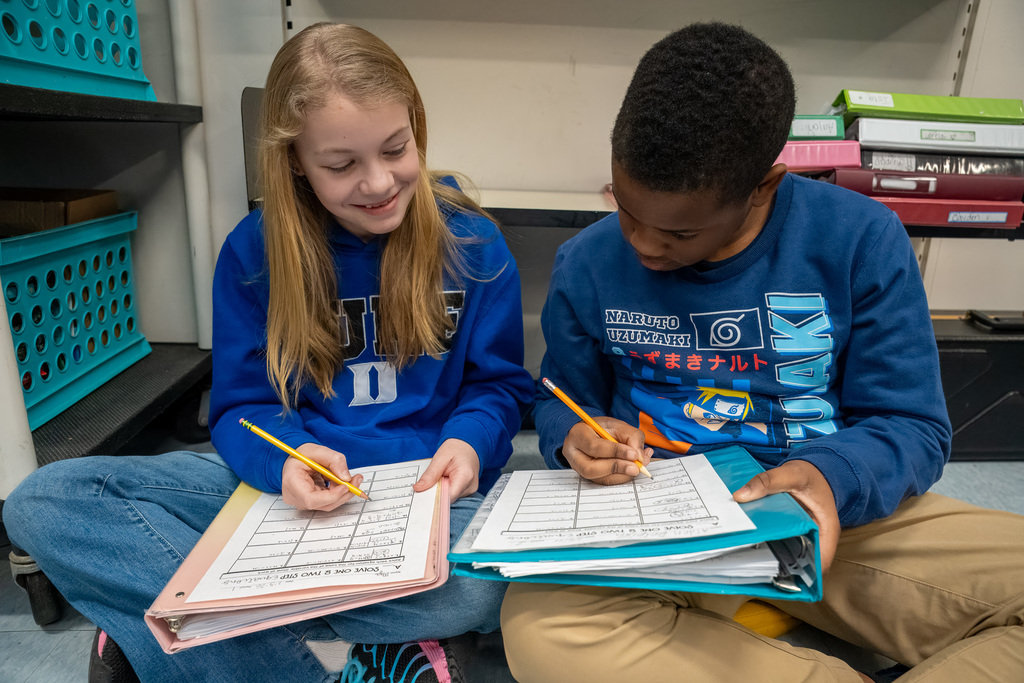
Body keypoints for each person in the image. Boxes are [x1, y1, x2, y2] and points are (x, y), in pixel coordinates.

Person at [4, 22, 533, 683]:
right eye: (340, 165)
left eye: (397, 149)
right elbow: (242, 409)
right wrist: (287, 459)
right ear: (295, 163)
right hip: (286, 498)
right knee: (43, 502)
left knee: (501, 587)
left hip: (428, 499)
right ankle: (334, 651)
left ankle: (165, 622)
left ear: (415, 128)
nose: (378, 182)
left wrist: (468, 444)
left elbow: (501, 390)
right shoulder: (253, 254)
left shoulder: (474, 243)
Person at [499, 22, 1024, 683]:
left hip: (829, 518)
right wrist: (575, 433)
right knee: (536, 626)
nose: (643, 244)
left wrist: (830, 476)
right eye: (625, 208)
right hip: (658, 525)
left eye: (680, 230)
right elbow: (559, 400)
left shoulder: (860, 237)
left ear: (766, 185)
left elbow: (913, 426)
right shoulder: (587, 262)